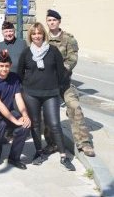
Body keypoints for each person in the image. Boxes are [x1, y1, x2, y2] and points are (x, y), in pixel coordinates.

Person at [17, 22, 76, 171]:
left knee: (54, 124)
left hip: (50, 94)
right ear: (30, 36)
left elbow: (62, 72)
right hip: (31, 94)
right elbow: (19, 73)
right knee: (36, 124)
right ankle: (39, 152)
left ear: (44, 34)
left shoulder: (53, 51)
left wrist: (57, 87)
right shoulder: (26, 53)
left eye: (39, 33)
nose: (37, 36)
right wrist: (25, 88)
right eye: (34, 33)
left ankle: (64, 156)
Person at [44, 9, 95, 157]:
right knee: (47, 112)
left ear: (59, 21)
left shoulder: (68, 39)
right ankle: (52, 143)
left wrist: (61, 71)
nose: (51, 22)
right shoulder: (43, 37)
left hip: (64, 82)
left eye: (54, 20)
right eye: (49, 20)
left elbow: (72, 58)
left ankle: (84, 143)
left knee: (74, 107)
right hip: (48, 83)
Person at [0, 50, 30, 170]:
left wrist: (24, 115)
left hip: (8, 114)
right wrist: (15, 120)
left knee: (25, 125)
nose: (4, 69)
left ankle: (14, 158)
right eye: (1, 66)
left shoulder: (14, 78)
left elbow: (18, 98)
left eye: (7, 66)